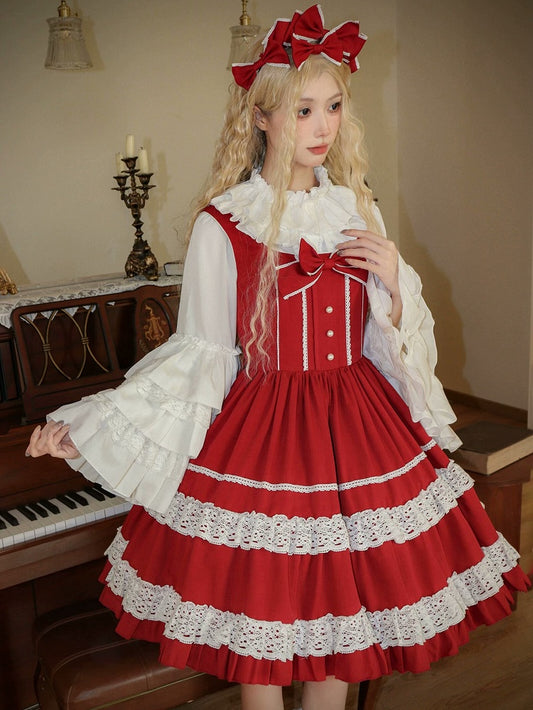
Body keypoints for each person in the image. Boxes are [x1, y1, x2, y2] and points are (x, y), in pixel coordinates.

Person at [26, 5, 529, 710]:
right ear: (261, 117)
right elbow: (197, 355)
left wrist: (393, 282)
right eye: (302, 110)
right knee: (258, 626)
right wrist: (89, 422)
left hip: (357, 425)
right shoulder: (221, 224)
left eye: (333, 107)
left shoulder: (357, 208)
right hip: (263, 430)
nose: (322, 127)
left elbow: (385, 339)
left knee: (341, 619)